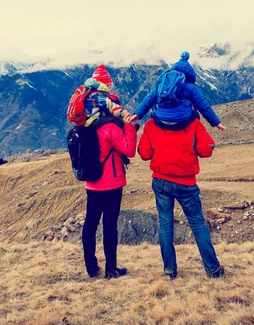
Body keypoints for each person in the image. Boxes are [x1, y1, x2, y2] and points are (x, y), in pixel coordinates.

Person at [138, 116, 224, 279]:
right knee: (197, 222)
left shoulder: (151, 124)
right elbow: (206, 150)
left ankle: (170, 269)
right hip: (186, 182)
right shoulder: (193, 123)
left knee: (165, 222)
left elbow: (144, 153)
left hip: (161, 180)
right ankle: (213, 269)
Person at [81, 65, 137, 280]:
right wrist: (129, 126)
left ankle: (91, 267)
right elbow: (129, 150)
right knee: (109, 226)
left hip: (91, 182)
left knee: (90, 223)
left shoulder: (85, 126)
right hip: (111, 183)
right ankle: (111, 269)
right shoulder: (110, 128)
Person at [130, 51, 226, 131]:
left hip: (161, 120)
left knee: (153, 114)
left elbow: (148, 99)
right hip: (183, 121)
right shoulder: (191, 87)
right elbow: (204, 106)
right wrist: (216, 122)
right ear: (190, 74)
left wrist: (137, 114)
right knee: (195, 114)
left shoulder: (162, 84)